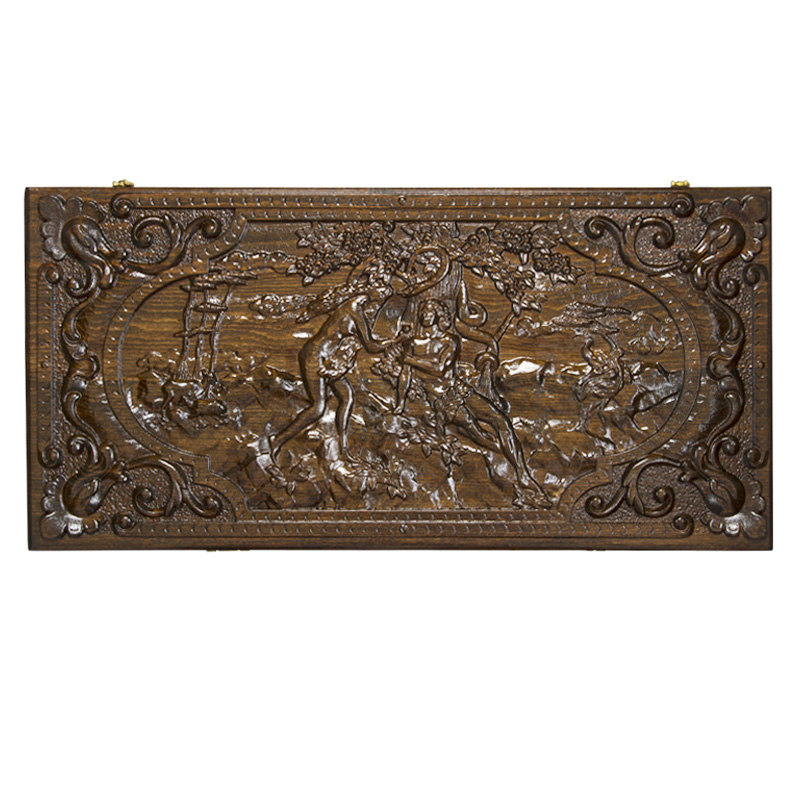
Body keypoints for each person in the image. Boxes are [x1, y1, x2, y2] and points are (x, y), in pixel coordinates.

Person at [391, 300, 549, 504]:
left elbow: (440, 368)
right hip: (440, 399)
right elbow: (405, 375)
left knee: (500, 419)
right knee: (476, 432)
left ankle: (523, 474)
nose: (425, 314)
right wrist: (400, 403)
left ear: (438, 315)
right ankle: (505, 461)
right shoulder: (412, 343)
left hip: (459, 389)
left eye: (430, 311)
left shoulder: (450, 340)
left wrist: (407, 359)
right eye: (423, 311)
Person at [268, 274, 392, 462]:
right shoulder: (354, 308)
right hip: (315, 355)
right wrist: (397, 340)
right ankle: (277, 440)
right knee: (318, 408)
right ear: (372, 286)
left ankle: (344, 449)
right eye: (382, 290)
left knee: (347, 396)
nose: (384, 294)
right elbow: (371, 346)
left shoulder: (358, 306)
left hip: (327, 359)